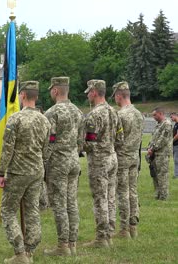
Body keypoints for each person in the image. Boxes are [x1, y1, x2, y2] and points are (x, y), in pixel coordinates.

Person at [0, 81, 50, 263]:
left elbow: (7, 149)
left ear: (23, 96)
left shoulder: (16, 119)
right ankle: (30, 250)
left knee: (8, 210)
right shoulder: (45, 120)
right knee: (32, 210)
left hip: (18, 172)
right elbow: (46, 150)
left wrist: (0, 173)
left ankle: (20, 253)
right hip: (37, 171)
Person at [42, 77, 84, 256]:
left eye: (51, 89)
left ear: (56, 91)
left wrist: (43, 162)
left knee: (59, 204)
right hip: (74, 160)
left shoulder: (52, 113)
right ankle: (72, 242)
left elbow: (48, 142)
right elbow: (82, 141)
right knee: (71, 202)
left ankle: (63, 245)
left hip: (58, 163)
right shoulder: (78, 111)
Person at [83, 79, 123, 248]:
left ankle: (101, 238)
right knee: (111, 197)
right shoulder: (114, 112)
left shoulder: (94, 115)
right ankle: (110, 233)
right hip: (112, 157)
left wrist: (78, 144)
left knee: (100, 199)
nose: (88, 96)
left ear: (94, 92)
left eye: (88, 92)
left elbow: (89, 143)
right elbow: (120, 138)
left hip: (99, 161)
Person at [111, 81, 144, 239]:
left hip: (123, 156)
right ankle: (133, 226)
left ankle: (124, 228)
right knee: (133, 191)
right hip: (134, 157)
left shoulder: (121, 115)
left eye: (115, 97)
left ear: (119, 95)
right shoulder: (138, 114)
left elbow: (117, 139)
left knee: (123, 193)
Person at [148, 107, 173, 200]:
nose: (153, 117)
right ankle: (158, 194)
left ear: (161, 113)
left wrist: (153, 149)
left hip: (162, 154)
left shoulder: (166, 124)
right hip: (155, 154)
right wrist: (150, 148)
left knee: (162, 175)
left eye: (155, 115)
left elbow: (162, 139)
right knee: (155, 174)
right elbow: (154, 137)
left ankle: (163, 196)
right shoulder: (158, 124)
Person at [171, 112, 178, 179]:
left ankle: (176, 175)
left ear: (175, 116)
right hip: (175, 145)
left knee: (176, 160)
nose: (171, 118)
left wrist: (171, 141)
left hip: (177, 145)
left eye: (171, 117)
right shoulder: (176, 124)